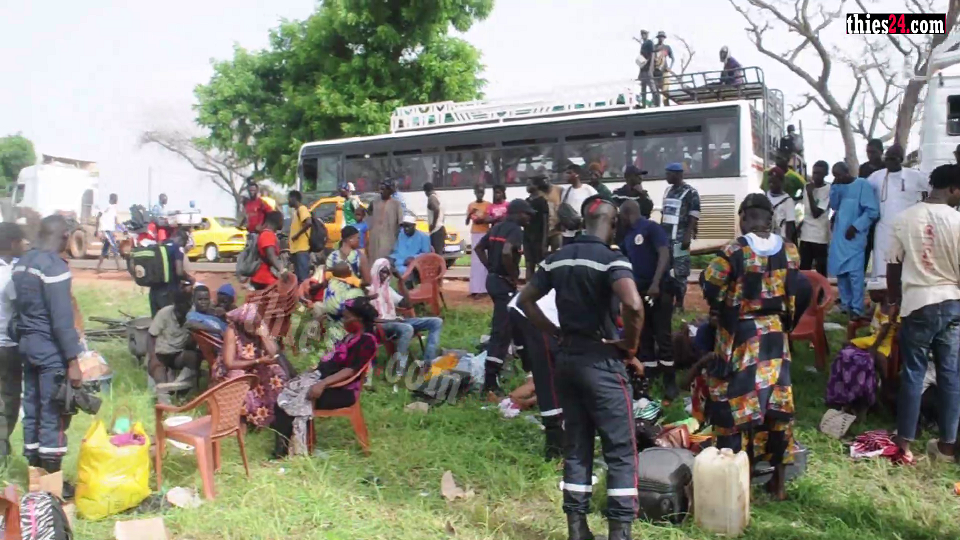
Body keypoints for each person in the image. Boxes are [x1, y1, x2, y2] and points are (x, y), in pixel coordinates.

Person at [518, 195, 644, 540]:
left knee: (577, 447)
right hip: (601, 363)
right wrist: (630, 346)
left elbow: (526, 300)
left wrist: (554, 331)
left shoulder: (556, 259)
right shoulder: (610, 259)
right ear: (612, 224)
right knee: (620, 449)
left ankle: (577, 529)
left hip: (567, 361)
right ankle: (619, 533)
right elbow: (633, 304)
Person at [700, 193, 808, 501]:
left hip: (741, 337)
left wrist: (721, 307)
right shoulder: (790, 251)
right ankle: (779, 483)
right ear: (771, 218)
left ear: (744, 217)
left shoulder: (735, 250)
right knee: (778, 406)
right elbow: (795, 289)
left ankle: (737, 476)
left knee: (734, 405)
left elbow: (711, 283)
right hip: (775, 337)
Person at [886, 163, 960, 463]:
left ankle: (904, 445)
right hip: (953, 302)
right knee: (951, 375)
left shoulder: (904, 219)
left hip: (917, 303)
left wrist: (893, 301)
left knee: (913, 374)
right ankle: (947, 445)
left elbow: (893, 265)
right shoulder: (957, 221)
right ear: (953, 188)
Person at [11, 215, 84, 493]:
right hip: (50, 351)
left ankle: (34, 477)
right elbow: (62, 321)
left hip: (27, 347)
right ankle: (52, 484)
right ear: (65, 236)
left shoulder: (23, 264)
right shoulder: (53, 267)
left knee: (32, 410)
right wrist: (73, 361)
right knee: (54, 413)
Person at [275, 297, 380, 456]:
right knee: (284, 393)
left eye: (347, 317)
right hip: (324, 380)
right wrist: (313, 372)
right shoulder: (350, 336)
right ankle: (289, 446)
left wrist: (322, 384)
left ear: (358, 318)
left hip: (342, 391)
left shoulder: (367, 340)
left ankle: (285, 452)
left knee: (293, 400)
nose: (344, 320)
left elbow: (350, 370)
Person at [475, 199, 536, 395]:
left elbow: (478, 248)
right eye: (527, 214)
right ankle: (490, 382)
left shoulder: (496, 227)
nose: (529, 218)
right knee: (501, 332)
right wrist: (512, 276)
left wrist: (491, 269)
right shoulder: (516, 230)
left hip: (493, 281)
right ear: (518, 213)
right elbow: (508, 252)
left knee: (517, 320)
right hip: (503, 285)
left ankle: (530, 368)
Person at [621, 199, 676, 400]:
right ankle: (650, 378)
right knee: (645, 335)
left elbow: (664, 255)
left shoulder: (651, 228)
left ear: (627, 213)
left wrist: (656, 283)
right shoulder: (627, 236)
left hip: (660, 289)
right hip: (640, 290)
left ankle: (670, 381)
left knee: (663, 335)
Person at [213, 303, 291, 431]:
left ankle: (273, 416)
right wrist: (258, 360)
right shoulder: (232, 331)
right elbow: (229, 363)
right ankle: (245, 419)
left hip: (256, 365)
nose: (254, 326)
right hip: (234, 369)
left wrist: (263, 336)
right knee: (239, 377)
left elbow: (273, 353)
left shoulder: (259, 328)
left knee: (276, 374)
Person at [508, 288, 563, 460]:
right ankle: (554, 446)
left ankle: (558, 436)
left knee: (551, 377)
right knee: (547, 377)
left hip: (528, 309)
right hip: (537, 313)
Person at [827, 282, 898, 417]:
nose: (870, 297)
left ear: (882, 293)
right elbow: (869, 316)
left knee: (873, 356)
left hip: (883, 342)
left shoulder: (891, 308)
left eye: (872, 294)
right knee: (846, 348)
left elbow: (885, 330)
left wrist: (874, 347)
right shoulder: (878, 305)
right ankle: (843, 391)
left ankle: (882, 387)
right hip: (873, 338)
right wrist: (860, 318)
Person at [368, 258, 444, 375]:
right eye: (382, 271)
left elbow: (407, 304)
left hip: (397, 321)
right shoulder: (368, 290)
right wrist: (393, 320)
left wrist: (401, 281)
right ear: (375, 271)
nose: (385, 275)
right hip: (382, 325)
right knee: (407, 328)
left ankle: (428, 363)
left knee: (436, 321)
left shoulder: (388, 290)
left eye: (387, 272)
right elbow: (368, 318)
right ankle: (399, 369)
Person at [866, 144, 929, 280]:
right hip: (884, 228)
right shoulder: (876, 176)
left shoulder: (914, 175)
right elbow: (862, 193)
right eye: (887, 159)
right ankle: (884, 295)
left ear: (900, 159)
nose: (889, 162)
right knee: (882, 264)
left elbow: (932, 189)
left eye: (893, 159)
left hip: (907, 227)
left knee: (907, 263)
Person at [829, 162, 879, 319]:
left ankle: (857, 308)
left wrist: (856, 226)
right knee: (841, 273)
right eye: (835, 175)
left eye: (840, 174)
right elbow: (835, 206)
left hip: (855, 236)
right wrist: (835, 188)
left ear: (847, 171)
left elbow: (872, 211)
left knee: (855, 274)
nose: (839, 178)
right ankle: (845, 305)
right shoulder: (838, 186)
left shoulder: (862, 184)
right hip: (839, 236)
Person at [661, 162, 700, 312]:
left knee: (680, 271)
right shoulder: (667, 191)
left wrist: (687, 235)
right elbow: (665, 214)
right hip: (666, 238)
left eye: (669, 174)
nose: (666, 177)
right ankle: (668, 300)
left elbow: (694, 214)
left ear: (678, 175)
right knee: (666, 269)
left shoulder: (690, 192)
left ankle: (680, 302)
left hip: (679, 238)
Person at [0, 223, 23, 467]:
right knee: (9, 401)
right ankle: (2, 452)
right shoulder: (11, 276)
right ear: (13, 243)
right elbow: (21, 307)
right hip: (6, 347)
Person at [147, 289, 202, 389]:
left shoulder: (192, 313)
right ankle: (163, 393)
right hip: (161, 354)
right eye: (181, 304)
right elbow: (151, 336)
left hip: (178, 354)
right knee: (159, 375)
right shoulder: (164, 314)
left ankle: (180, 387)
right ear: (175, 304)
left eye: (187, 304)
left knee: (194, 357)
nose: (184, 307)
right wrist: (153, 357)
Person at [149, 228, 194, 317]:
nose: (183, 246)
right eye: (184, 243)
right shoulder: (177, 248)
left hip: (154, 291)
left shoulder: (159, 245)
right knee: (169, 319)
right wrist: (189, 278)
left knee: (156, 320)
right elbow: (179, 271)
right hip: (169, 290)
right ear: (181, 239)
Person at [799, 160, 831, 276]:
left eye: (819, 173)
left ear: (825, 174)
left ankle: (822, 293)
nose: (815, 176)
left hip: (820, 236)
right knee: (804, 268)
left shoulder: (828, 189)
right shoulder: (807, 187)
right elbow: (804, 210)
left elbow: (816, 213)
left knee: (821, 269)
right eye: (814, 173)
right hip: (806, 234)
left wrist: (811, 194)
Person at [560, 164, 598, 246]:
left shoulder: (588, 190)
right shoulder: (566, 191)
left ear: (577, 175)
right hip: (568, 233)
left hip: (584, 231)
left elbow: (597, 205)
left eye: (569, 173)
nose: (566, 175)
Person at [368, 180, 404, 262]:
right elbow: (368, 216)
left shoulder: (396, 204)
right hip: (375, 237)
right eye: (380, 189)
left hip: (389, 237)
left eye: (383, 189)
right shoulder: (374, 202)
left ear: (390, 190)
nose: (381, 191)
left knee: (386, 260)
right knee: (374, 259)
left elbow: (401, 222)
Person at [466, 184, 491, 298]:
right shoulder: (471, 205)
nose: (480, 194)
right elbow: (467, 222)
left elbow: (490, 219)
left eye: (482, 192)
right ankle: (475, 289)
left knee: (483, 261)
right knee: (475, 263)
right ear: (475, 192)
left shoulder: (488, 205)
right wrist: (471, 213)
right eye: (478, 192)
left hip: (485, 233)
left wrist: (482, 219)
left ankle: (484, 290)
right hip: (475, 233)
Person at [251, 211, 285, 291]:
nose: (283, 223)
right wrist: (282, 270)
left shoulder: (267, 234)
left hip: (263, 276)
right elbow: (271, 255)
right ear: (276, 220)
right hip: (264, 277)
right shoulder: (267, 234)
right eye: (282, 220)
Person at [524, 175, 551, 277]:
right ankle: (528, 286)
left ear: (536, 186)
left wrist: (544, 242)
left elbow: (545, 222)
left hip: (538, 237)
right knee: (528, 263)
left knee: (540, 263)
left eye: (529, 184)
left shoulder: (542, 201)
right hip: (527, 236)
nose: (527, 187)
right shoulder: (526, 201)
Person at [287, 190, 313, 283]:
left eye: (289, 199)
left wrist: (296, 235)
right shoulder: (296, 212)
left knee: (303, 278)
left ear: (294, 199)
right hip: (296, 250)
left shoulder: (302, 209)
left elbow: (308, 222)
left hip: (301, 249)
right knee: (298, 279)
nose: (288, 201)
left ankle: (304, 296)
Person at [766, 168, 797, 241]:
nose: (771, 185)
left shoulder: (788, 201)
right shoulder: (764, 197)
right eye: (770, 182)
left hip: (781, 240)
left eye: (774, 182)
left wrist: (787, 242)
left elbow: (790, 225)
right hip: (766, 239)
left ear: (781, 182)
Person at [96, 193, 120, 273]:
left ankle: (98, 267)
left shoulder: (113, 208)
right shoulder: (108, 207)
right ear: (114, 200)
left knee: (105, 248)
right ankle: (119, 267)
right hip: (107, 230)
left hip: (109, 230)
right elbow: (98, 216)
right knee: (114, 247)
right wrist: (98, 230)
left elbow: (115, 221)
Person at [635, 29, 658, 106]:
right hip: (643, 68)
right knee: (643, 87)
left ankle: (656, 103)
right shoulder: (643, 44)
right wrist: (639, 72)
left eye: (644, 34)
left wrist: (651, 67)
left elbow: (652, 54)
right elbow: (641, 58)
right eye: (642, 35)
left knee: (652, 87)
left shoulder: (649, 42)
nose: (643, 36)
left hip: (648, 68)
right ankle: (643, 105)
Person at [424, 182, 446, 256]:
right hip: (441, 228)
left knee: (436, 254)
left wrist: (433, 224)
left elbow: (436, 210)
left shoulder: (431, 198)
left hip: (436, 230)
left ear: (426, 191)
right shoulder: (439, 197)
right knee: (439, 253)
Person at [653, 30, 674, 101]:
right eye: (660, 37)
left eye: (662, 37)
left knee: (665, 92)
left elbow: (673, 59)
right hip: (656, 73)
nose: (661, 38)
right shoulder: (654, 47)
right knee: (656, 92)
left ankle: (666, 106)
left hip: (665, 71)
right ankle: (656, 106)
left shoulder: (667, 47)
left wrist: (670, 68)